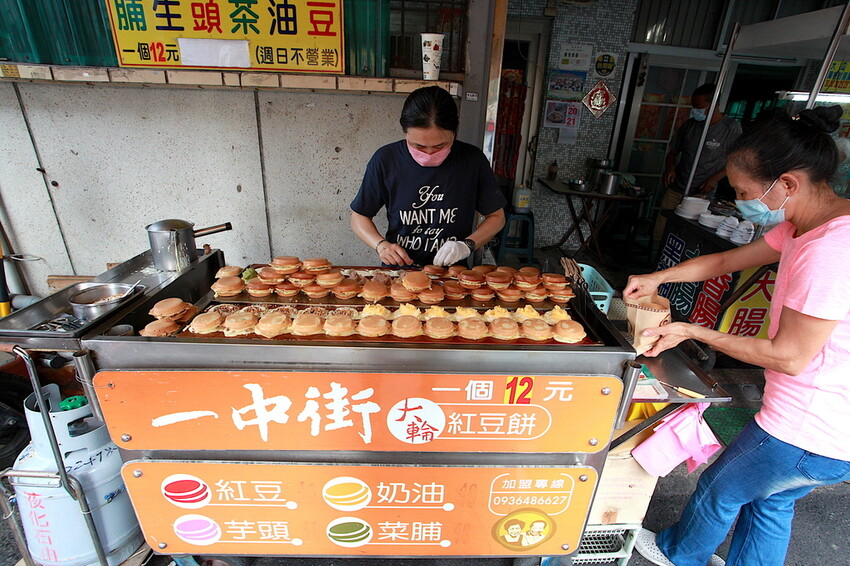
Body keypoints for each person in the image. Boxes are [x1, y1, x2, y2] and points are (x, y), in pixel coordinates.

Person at [627, 105, 850, 566]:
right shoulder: (805, 225)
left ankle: (677, 554)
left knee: (720, 489)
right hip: (829, 422)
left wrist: (692, 330)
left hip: (810, 425)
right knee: (771, 501)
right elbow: (726, 261)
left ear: (787, 184)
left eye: (746, 192)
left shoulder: (830, 250)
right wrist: (658, 278)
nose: (743, 201)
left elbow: (788, 356)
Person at [350, 86, 506, 267]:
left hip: (452, 276)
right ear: (404, 131)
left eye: (440, 146)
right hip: (399, 272)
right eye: (419, 146)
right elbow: (359, 216)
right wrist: (381, 246)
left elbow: (497, 217)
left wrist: (467, 245)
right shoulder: (386, 159)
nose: (429, 153)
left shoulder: (472, 160)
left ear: (455, 130)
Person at [655, 83, 742, 240]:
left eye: (699, 107)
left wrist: (714, 179)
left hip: (702, 193)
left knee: (688, 233)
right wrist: (670, 168)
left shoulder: (731, 129)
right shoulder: (690, 125)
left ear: (714, 104)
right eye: (693, 106)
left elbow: (735, 163)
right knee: (662, 228)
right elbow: (673, 152)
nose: (695, 110)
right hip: (677, 187)